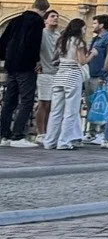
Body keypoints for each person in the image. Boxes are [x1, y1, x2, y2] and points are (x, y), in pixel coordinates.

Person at [0, 0, 50, 146]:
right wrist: (36, 61)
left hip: (11, 66)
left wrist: (6, 59)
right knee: (27, 101)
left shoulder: (15, 20)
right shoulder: (36, 22)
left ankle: (4, 135)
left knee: (9, 101)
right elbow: (33, 44)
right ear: (44, 10)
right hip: (26, 66)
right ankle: (18, 136)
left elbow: (3, 42)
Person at [43, 19, 89, 151]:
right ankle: (64, 141)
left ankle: (50, 141)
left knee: (55, 111)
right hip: (72, 77)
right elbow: (82, 61)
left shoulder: (61, 40)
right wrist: (92, 55)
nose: (85, 31)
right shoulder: (78, 41)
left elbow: (54, 60)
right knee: (71, 111)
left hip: (59, 77)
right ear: (79, 29)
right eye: (84, 28)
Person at [85, 14, 108, 143]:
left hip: (100, 76)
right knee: (91, 105)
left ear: (101, 25)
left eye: (95, 23)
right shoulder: (97, 38)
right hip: (91, 74)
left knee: (102, 105)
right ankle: (91, 133)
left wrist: (104, 76)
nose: (93, 26)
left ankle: (103, 133)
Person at [33, 10, 61, 141]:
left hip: (56, 72)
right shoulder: (41, 33)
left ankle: (48, 131)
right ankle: (40, 132)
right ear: (46, 20)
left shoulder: (58, 35)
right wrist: (37, 61)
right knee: (43, 103)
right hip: (44, 72)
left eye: (57, 17)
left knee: (52, 104)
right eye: (52, 16)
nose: (55, 18)